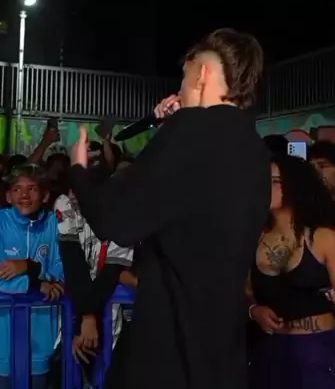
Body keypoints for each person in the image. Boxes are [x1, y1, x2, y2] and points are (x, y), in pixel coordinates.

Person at [69, 29, 271, 389]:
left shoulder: (189, 132)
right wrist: (172, 130)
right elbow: (189, 199)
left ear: (201, 74)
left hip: (170, 350)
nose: (178, 91)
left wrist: (80, 171)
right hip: (221, 351)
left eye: (183, 78)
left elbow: (115, 220)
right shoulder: (254, 148)